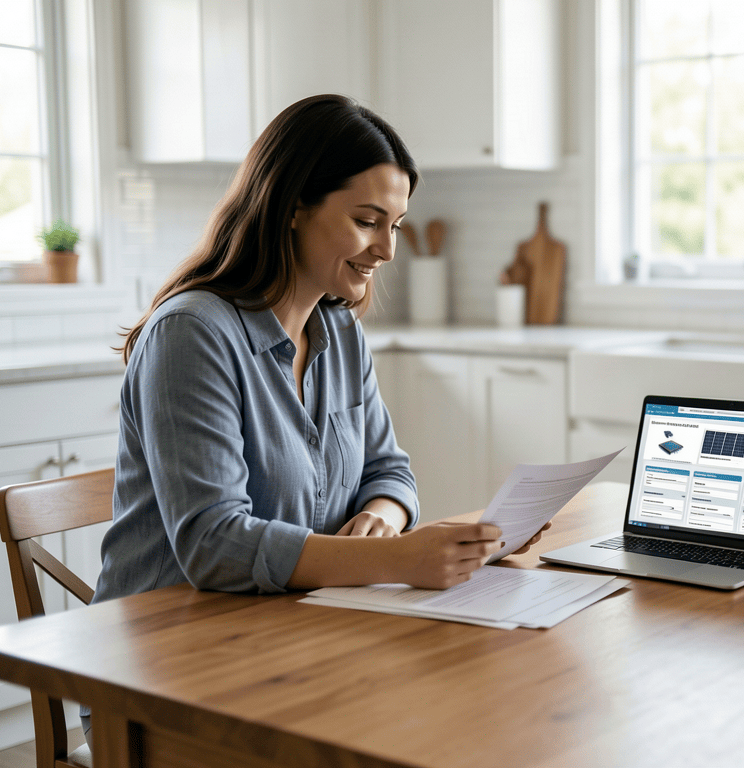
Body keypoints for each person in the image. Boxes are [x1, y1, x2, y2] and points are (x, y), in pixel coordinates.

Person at [81, 94, 547, 748]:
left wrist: (384, 517)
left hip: (292, 641)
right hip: (167, 678)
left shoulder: (338, 330)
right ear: (294, 205)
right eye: (367, 221)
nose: (387, 249)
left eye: (397, 225)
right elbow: (212, 543)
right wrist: (391, 560)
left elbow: (389, 468)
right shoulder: (192, 334)